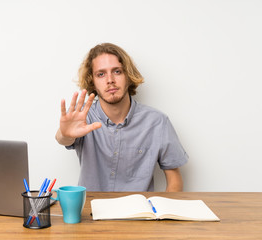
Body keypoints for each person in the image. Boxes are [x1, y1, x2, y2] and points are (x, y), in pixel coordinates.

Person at [56, 43, 188, 192]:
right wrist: (65, 134)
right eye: (101, 74)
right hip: (91, 211)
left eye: (117, 71)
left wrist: (164, 212)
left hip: (139, 213)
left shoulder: (157, 122)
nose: (110, 80)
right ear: (92, 80)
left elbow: (174, 178)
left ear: (128, 75)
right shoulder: (82, 117)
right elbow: (63, 138)